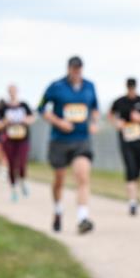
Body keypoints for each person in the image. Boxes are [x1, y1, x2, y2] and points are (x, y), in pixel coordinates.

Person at [38, 56, 100, 234]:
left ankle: (82, 218)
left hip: (81, 139)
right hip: (60, 140)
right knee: (60, 179)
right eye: (74, 69)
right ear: (68, 69)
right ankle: (58, 209)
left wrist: (94, 122)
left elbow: (95, 108)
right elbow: (41, 109)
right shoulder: (55, 86)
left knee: (82, 176)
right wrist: (59, 122)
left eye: (79, 69)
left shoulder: (89, 86)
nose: (76, 72)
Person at [108, 78, 140, 215]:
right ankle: (132, 202)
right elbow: (110, 115)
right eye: (129, 87)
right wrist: (116, 123)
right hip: (126, 141)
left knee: (138, 170)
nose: (131, 90)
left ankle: (134, 195)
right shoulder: (119, 102)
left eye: (133, 87)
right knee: (130, 168)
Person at [0, 85, 36, 201]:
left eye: (14, 90)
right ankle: (13, 189)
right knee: (11, 164)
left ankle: (23, 181)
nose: (12, 93)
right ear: (8, 92)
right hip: (9, 140)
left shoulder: (24, 105)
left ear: (17, 91)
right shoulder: (3, 108)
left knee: (22, 162)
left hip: (23, 139)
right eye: (10, 91)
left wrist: (26, 120)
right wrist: (4, 122)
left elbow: (32, 118)